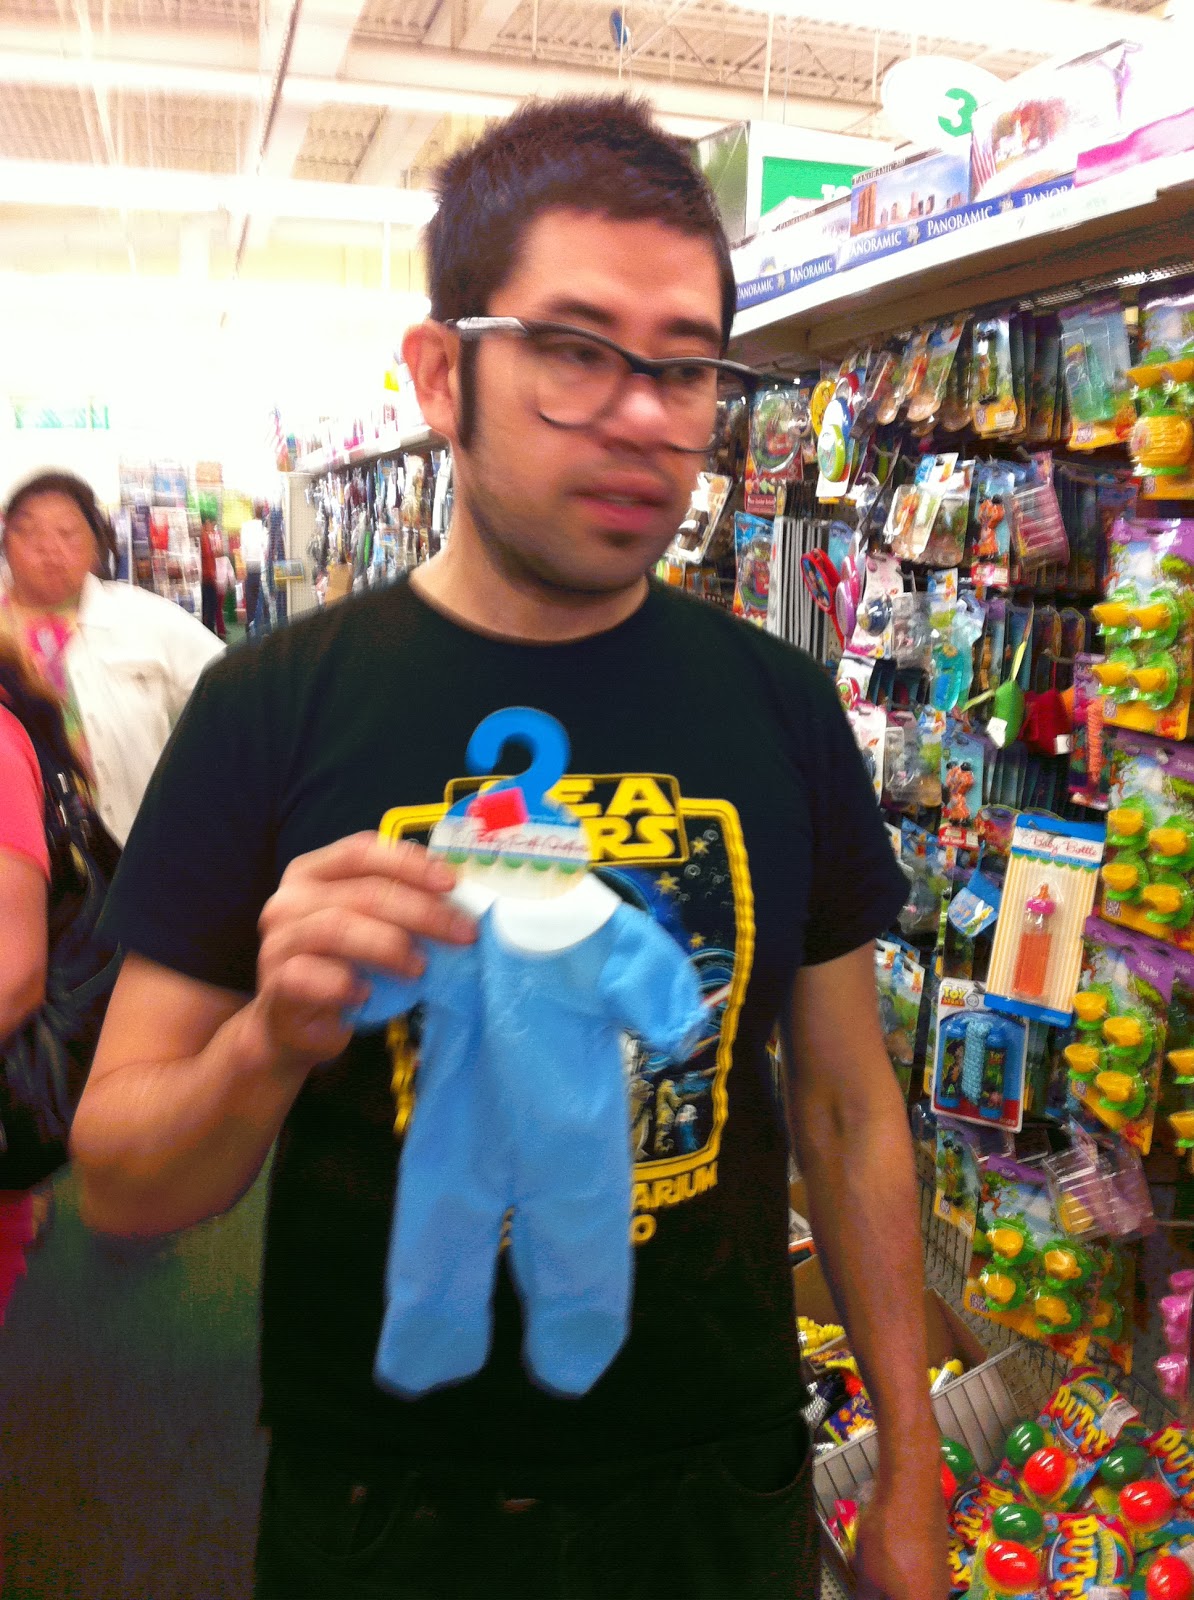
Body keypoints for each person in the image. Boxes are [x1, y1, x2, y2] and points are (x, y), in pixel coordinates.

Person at [72, 97, 948, 1600]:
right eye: (573, 350)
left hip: (719, 1490)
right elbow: (124, 1180)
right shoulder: (275, 703)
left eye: (685, 366)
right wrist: (269, 1040)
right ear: (439, 373)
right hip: (390, 1510)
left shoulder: (779, 705)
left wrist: (912, 1466)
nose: (641, 416)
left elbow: (847, 1106)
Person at [0, 472, 224, 849]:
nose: (49, 549)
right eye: (30, 532)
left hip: (136, 851)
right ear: (6, 540)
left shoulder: (143, 618)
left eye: (67, 532)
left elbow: (235, 691)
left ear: (95, 543)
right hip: (18, 853)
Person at [238, 503, 270, 638]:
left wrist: (244, 564)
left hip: (250, 567)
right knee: (265, 600)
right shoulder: (266, 527)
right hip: (264, 568)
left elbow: (243, 549)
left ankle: (251, 631)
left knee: (251, 601)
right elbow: (267, 548)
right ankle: (265, 630)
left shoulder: (245, 526)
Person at [199, 512, 227, 640]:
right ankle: (210, 634)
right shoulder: (203, 537)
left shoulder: (205, 536)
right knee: (211, 607)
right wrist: (212, 575)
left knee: (210, 607)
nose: (213, 528)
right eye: (213, 525)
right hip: (207, 578)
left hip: (208, 577)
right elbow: (208, 556)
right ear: (207, 522)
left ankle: (211, 632)